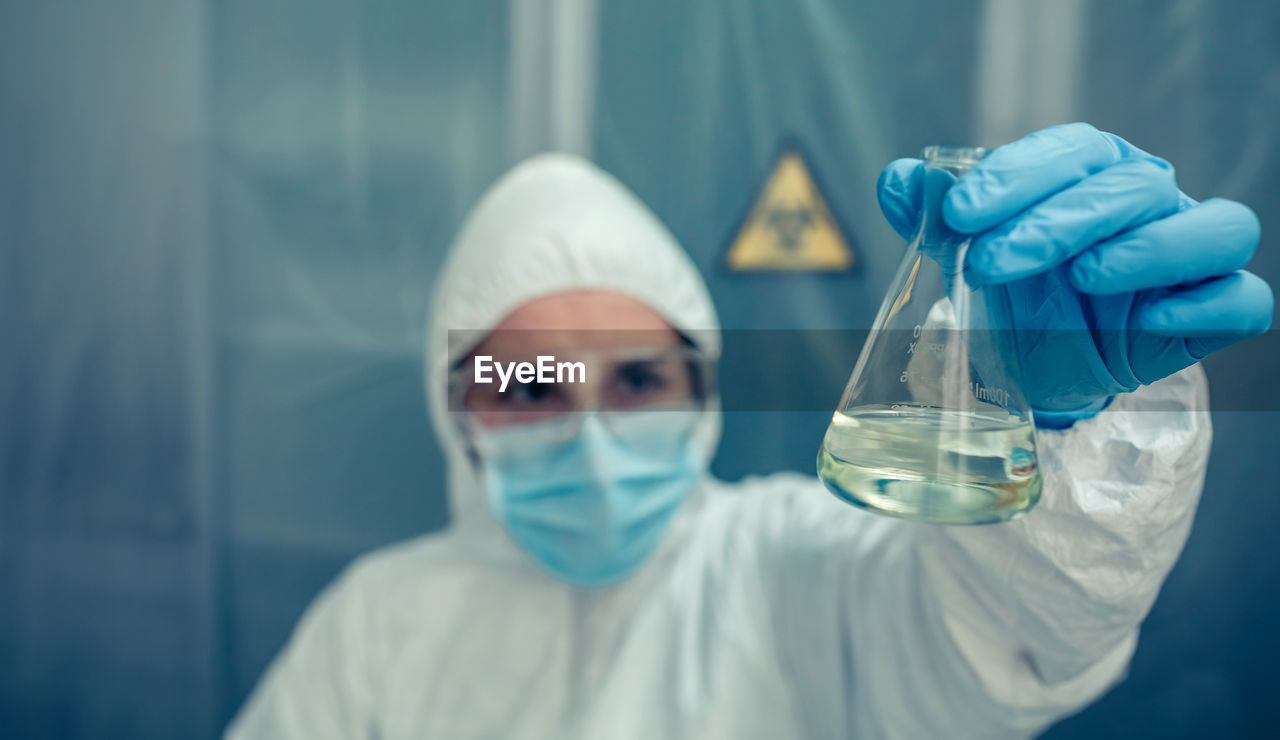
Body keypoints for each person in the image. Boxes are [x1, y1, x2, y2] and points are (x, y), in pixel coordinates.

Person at [225, 123, 1272, 739]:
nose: (589, 432)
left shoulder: (788, 562)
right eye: (529, 387)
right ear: (456, 410)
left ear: (702, 388)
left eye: (637, 378)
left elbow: (1009, 635)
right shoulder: (378, 619)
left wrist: (1062, 424)